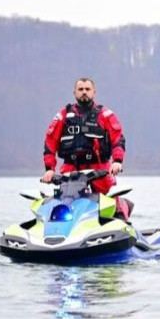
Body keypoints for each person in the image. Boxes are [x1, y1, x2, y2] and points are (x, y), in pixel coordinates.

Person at [41, 77, 131, 220]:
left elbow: (118, 139)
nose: (84, 92)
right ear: (74, 93)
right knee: (63, 206)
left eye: (87, 89)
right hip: (71, 171)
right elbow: (50, 141)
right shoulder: (63, 115)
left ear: (94, 92)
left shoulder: (105, 114)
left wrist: (117, 161)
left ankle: (123, 224)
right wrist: (49, 169)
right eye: (80, 89)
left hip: (100, 169)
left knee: (112, 204)